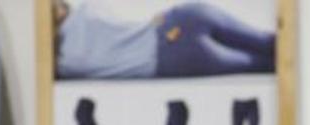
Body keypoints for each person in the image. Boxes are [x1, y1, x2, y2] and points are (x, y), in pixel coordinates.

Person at [53, 0, 275, 80]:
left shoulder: (67, 64)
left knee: (260, 64)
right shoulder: (87, 10)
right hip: (176, 19)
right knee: (270, 44)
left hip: (171, 56)